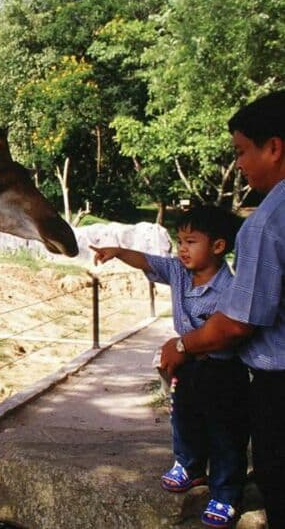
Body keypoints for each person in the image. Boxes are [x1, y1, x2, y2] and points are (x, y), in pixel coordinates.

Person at [159, 90, 285, 529]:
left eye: (241, 152)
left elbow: (236, 325)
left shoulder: (267, 223)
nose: (239, 165)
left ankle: (226, 490)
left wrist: (181, 345)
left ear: (274, 147)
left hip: (275, 383)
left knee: (257, 456)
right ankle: (192, 466)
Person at [92, 205, 246, 528]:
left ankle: (226, 492)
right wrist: (118, 252)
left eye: (191, 241)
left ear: (218, 246)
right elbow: (148, 261)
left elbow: (228, 336)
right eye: (180, 241)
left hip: (222, 371)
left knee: (225, 431)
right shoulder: (178, 271)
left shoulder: (231, 289)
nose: (182, 249)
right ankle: (189, 466)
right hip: (187, 365)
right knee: (184, 417)